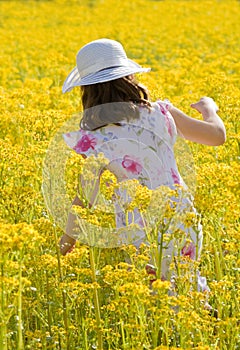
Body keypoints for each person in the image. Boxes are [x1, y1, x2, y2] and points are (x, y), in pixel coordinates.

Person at [59, 39, 226, 291]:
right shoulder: (161, 112)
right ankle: (209, 323)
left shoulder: (93, 139)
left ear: (87, 91)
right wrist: (209, 109)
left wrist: (66, 240)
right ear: (129, 78)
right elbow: (216, 136)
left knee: (155, 295)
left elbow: (86, 196)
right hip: (182, 216)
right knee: (189, 287)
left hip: (138, 229)